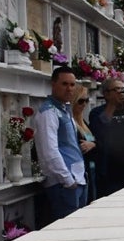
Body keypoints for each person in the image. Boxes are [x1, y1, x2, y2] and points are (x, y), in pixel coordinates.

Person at [32, 66, 86, 220]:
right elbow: (49, 151)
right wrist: (67, 180)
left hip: (77, 178)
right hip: (63, 183)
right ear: (53, 84)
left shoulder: (64, 109)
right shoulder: (49, 112)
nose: (69, 89)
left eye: (72, 84)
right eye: (64, 84)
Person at [71, 84, 97, 204]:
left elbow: (94, 141)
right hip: (81, 170)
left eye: (86, 100)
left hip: (91, 169)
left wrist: (93, 144)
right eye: (81, 101)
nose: (84, 104)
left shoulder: (83, 122)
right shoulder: (71, 123)